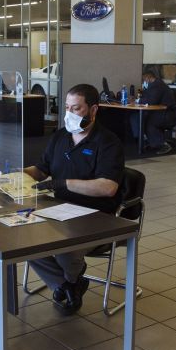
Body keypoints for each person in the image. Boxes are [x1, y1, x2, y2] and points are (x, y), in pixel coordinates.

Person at [24, 84, 124, 314]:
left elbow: (108, 188)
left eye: (76, 109)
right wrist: (14, 175)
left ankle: (67, 284)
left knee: (65, 246)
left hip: (96, 216)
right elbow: (41, 170)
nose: (69, 114)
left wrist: (63, 183)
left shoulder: (108, 143)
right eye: (67, 107)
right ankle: (68, 285)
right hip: (59, 210)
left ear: (93, 110)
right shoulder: (61, 137)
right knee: (23, 240)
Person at [131, 67, 176, 154]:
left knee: (148, 121)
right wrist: (139, 98)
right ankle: (152, 142)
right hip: (162, 112)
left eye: (144, 79)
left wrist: (137, 101)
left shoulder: (158, 85)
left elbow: (151, 101)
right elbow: (147, 97)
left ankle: (162, 145)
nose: (144, 81)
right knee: (137, 117)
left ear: (148, 77)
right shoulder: (155, 85)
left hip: (167, 114)